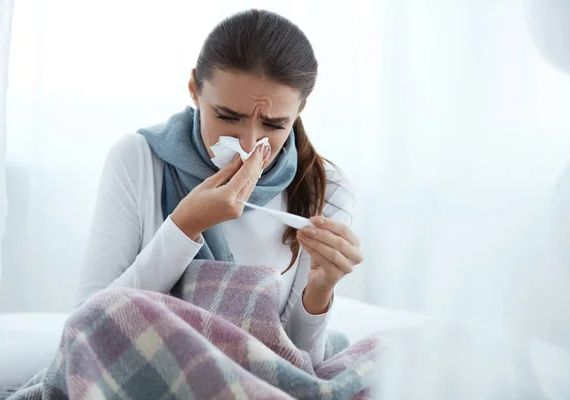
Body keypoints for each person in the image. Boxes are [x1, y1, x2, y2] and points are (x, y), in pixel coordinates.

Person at [75, 8, 363, 367]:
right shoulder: (138, 159)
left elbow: (299, 365)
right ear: (195, 89)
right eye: (228, 117)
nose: (249, 142)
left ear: (300, 110)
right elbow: (83, 332)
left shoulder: (326, 189)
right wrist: (183, 228)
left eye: (274, 125)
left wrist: (320, 291)